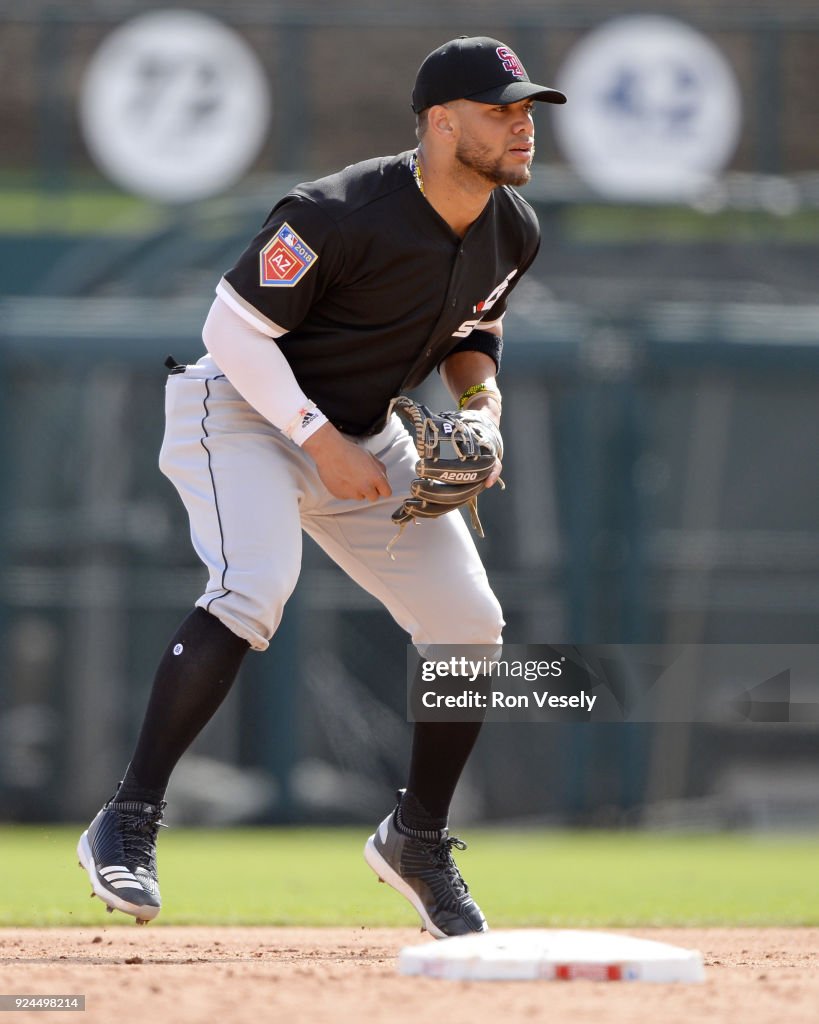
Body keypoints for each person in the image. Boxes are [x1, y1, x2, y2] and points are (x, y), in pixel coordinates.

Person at [76, 35, 566, 937]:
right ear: (439, 121)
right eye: (501, 110)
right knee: (254, 586)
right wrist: (310, 435)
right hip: (241, 412)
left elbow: (474, 334)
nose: (521, 126)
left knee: (469, 625)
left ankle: (416, 840)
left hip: (364, 429)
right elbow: (229, 331)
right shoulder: (337, 211)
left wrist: (484, 409)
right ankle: (129, 818)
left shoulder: (512, 228)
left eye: (527, 110)